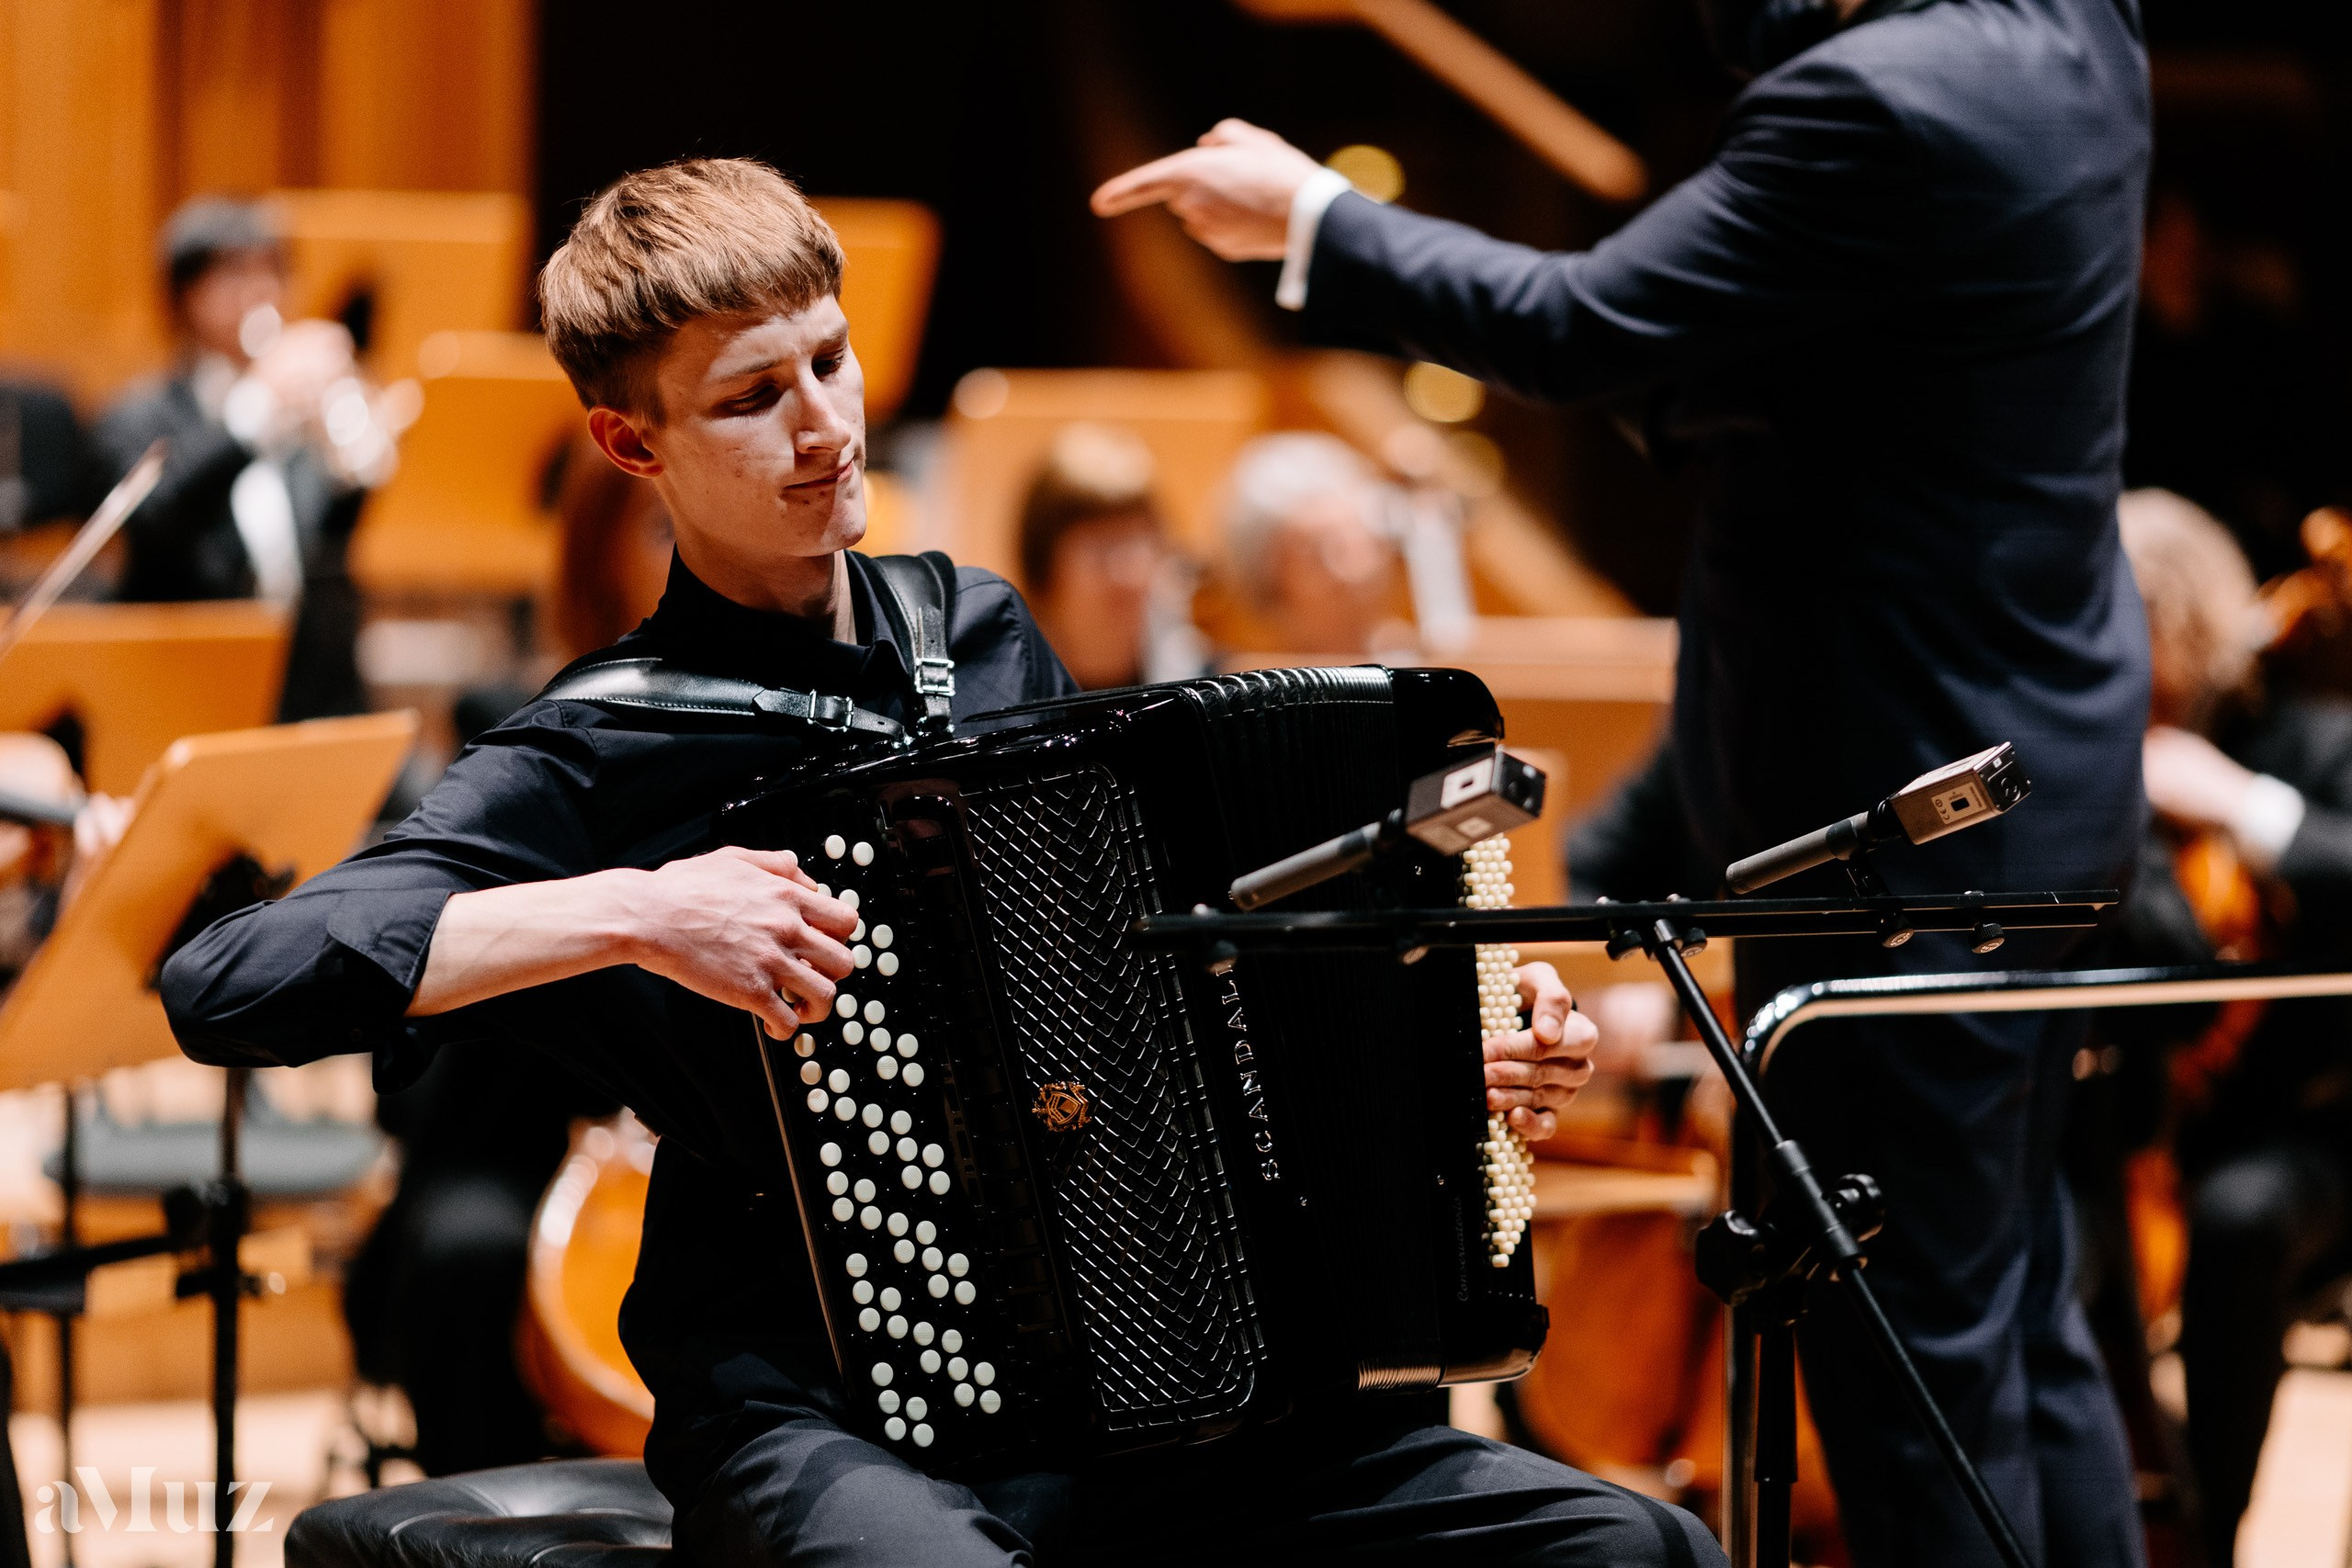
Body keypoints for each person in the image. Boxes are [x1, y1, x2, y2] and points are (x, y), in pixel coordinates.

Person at [159, 159, 1703, 1567]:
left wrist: (1439, 1055)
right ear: (630, 440)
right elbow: (234, 980)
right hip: (810, 1408)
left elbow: (1143, 996)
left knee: (1631, 1554)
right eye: (754, 395)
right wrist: (635, 908)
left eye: (829, 361)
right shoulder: (592, 751)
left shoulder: (975, 634)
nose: (826, 425)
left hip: (1128, 1372)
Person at [1091, 0, 2154, 1560]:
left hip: (1906, 831)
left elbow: (1582, 326)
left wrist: (1315, 216)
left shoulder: (1873, 97)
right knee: (2018, 1314)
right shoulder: (2080, 35)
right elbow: (1865, 372)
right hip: (2042, 769)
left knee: (1899, 1349)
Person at [2114, 489, 2352, 1566]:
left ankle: (2215, 1536)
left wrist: (2241, 805)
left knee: (2241, 1216)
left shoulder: (2301, 738)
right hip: (2133, 1126)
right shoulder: (2095, 752)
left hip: (2301, 1133)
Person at [95, 197, 401, 722]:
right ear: (185, 296)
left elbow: (327, 553)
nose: (263, 292)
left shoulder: (304, 407)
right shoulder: (136, 417)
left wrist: (355, 460)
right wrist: (257, 410)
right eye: (236, 274)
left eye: (275, 271)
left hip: (314, 697)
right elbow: (158, 518)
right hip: (186, 691)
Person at [1014, 423, 1180, 690]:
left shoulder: (1204, 691)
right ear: (1043, 572)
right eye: (1101, 549)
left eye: (1135, 543)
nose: (1126, 575)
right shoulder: (997, 700)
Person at [1221, 431, 1405, 657]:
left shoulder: (1416, 661)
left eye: (1351, 544)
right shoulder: (1252, 682)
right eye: (1317, 557)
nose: (1348, 573)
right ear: (1272, 585)